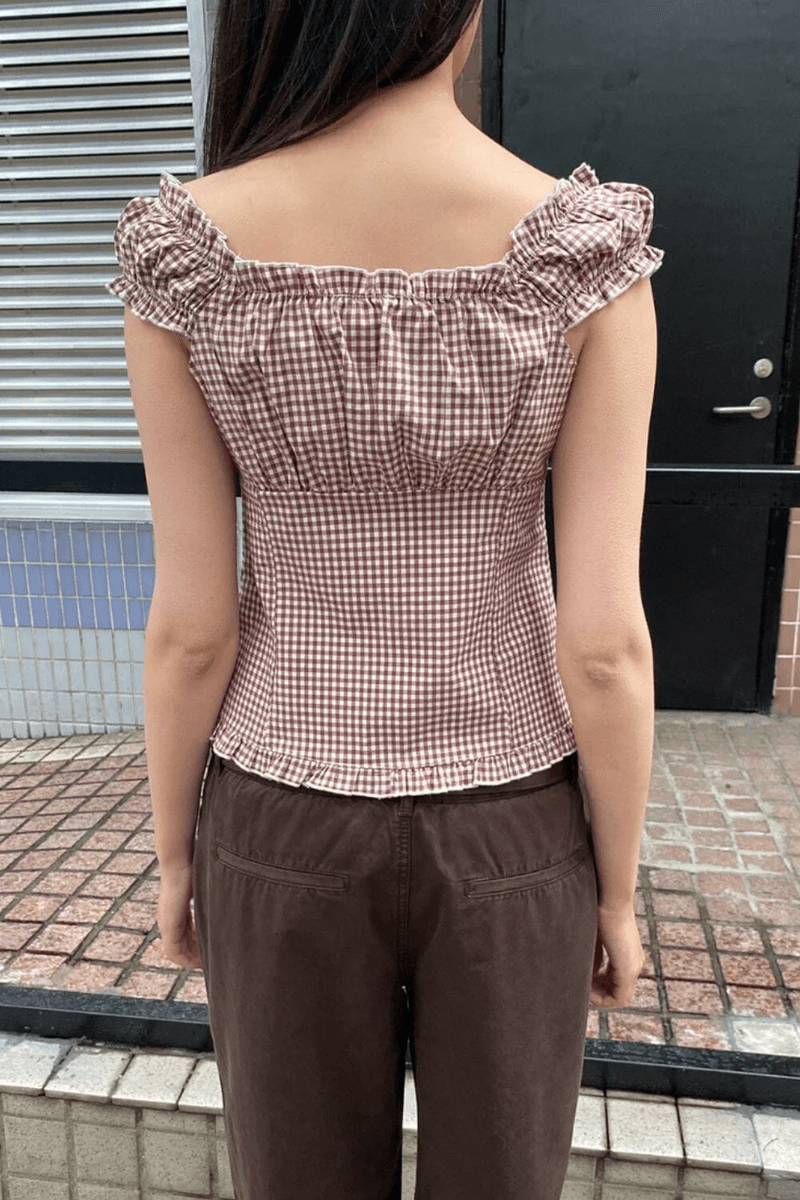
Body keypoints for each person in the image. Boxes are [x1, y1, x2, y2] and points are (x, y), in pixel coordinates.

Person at [104, 0, 664, 1196]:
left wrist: (174, 856)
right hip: (511, 823)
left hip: (276, 817)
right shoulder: (579, 254)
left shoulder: (184, 255)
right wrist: (615, 889)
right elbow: (603, 644)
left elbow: (192, 628)